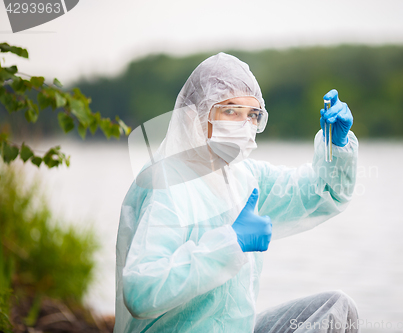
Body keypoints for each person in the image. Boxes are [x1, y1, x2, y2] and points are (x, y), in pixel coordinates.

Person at [114, 52, 359, 333]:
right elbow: (142, 290)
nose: (244, 125)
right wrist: (230, 243)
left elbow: (320, 194)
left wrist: (336, 147)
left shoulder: (243, 178)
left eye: (252, 115)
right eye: (230, 111)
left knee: (337, 309)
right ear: (197, 114)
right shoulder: (166, 182)